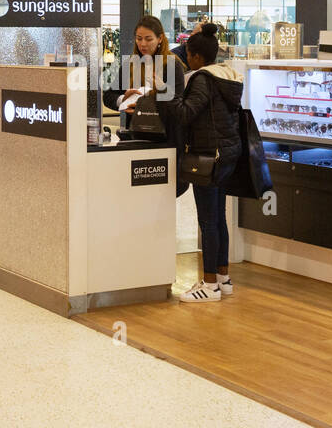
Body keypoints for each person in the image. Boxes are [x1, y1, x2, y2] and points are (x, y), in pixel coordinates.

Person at [134, 23, 243, 304]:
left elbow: (185, 114)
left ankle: (208, 285)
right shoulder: (228, 77)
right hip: (226, 154)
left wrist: (163, 92)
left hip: (207, 155)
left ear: (195, 57)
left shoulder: (203, 79)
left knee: (207, 220)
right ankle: (223, 277)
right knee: (219, 217)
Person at [104, 15, 186, 132]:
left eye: (148, 39)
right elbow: (108, 96)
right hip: (135, 135)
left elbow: (178, 105)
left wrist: (160, 91)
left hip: (164, 137)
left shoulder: (172, 65)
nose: (143, 44)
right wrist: (124, 99)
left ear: (160, 39)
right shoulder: (130, 64)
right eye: (139, 38)